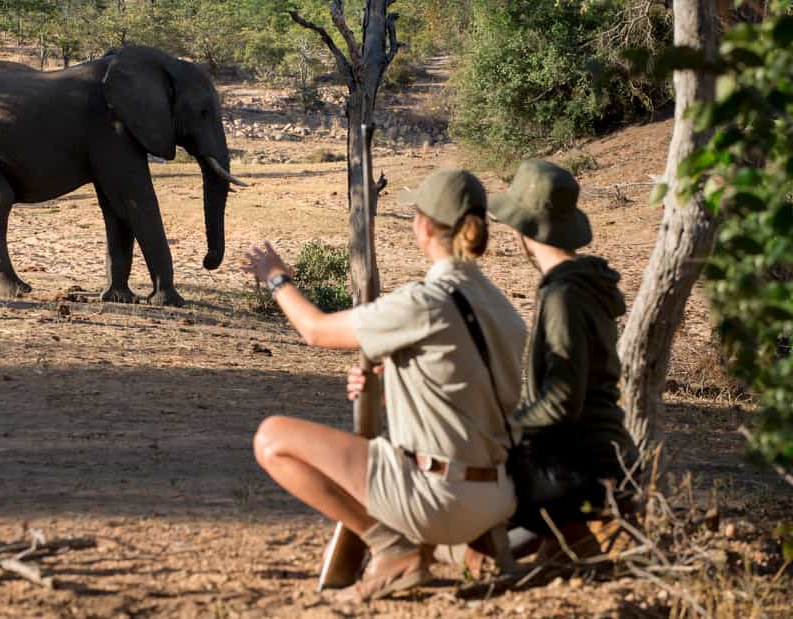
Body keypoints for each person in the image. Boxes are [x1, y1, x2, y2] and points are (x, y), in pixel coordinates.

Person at [242, 168, 526, 602]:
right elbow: (465, 388)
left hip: (438, 498)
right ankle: (476, 548)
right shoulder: (502, 306)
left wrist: (276, 278)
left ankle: (391, 548)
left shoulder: (423, 302)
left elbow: (315, 330)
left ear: (424, 225)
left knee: (271, 438)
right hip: (500, 497)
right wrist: (393, 380)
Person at [487, 159, 639, 542]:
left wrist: (503, 429)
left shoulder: (563, 296)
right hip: (602, 460)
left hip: (581, 471)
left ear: (523, 230)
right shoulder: (583, 285)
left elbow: (561, 403)